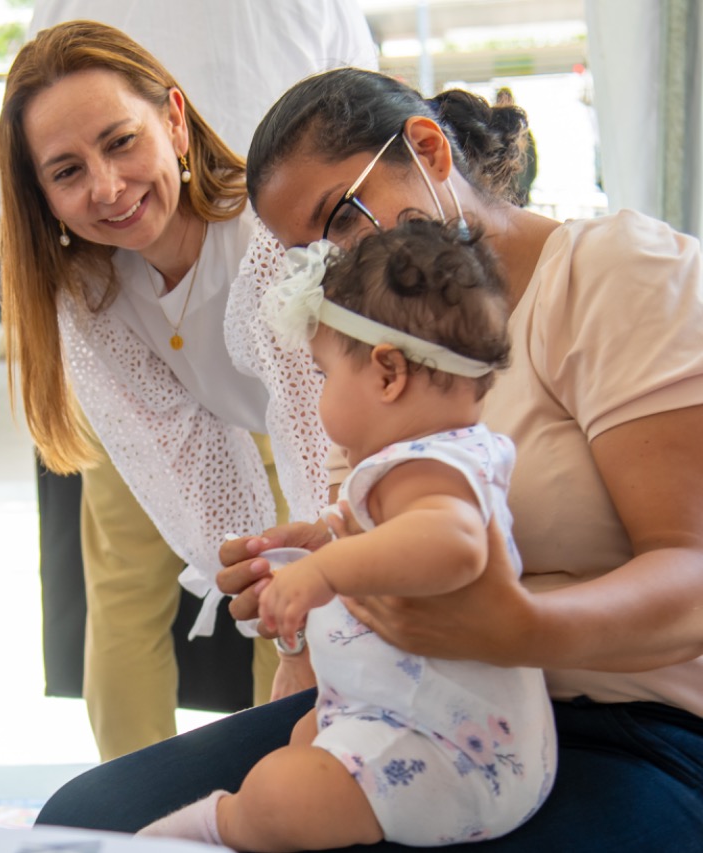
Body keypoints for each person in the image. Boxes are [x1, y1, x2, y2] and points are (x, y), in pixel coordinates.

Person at [37, 67, 703, 848]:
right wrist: (324, 558)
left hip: (633, 723)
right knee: (86, 824)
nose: (337, 265)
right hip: (417, 705)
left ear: (427, 149)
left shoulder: (615, 273)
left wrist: (518, 629)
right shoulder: (366, 348)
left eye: (341, 220)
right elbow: (388, 520)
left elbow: (689, 569)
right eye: (307, 258)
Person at [20, 2, 378, 759]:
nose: (108, 188)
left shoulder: (263, 250)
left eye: (123, 143)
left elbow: (332, 486)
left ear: (175, 123)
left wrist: (299, 644)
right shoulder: (90, 293)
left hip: (377, 455)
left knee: (304, 588)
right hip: (304, 457)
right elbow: (218, 520)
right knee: (153, 592)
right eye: (67, 171)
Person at [140, 221, 556, 849]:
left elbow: (454, 545)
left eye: (324, 374)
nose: (319, 396)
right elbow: (400, 558)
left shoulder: (429, 469)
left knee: (282, 792)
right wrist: (326, 547)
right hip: (401, 717)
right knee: (304, 744)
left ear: (387, 373)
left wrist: (327, 572)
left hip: (449, 750)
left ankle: (217, 828)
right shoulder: (423, 458)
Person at [494, 87, 536, 206]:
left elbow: (532, 163)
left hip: (519, 191)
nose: (504, 102)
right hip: (498, 193)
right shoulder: (491, 129)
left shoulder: (523, 132)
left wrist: (526, 186)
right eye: (501, 99)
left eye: (507, 99)